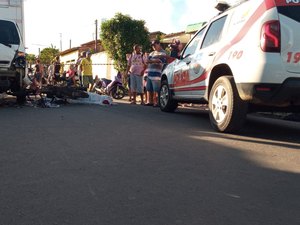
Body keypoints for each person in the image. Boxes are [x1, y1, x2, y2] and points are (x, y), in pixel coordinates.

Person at [146, 40, 167, 107]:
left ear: (159, 44)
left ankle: (157, 102)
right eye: (152, 45)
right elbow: (147, 61)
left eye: (154, 45)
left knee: (156, 89)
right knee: (149, 88)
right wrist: (153, 60)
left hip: (157, 73)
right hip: (150, 73)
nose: (153, 47)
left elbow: (160, 61)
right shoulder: (151, 53)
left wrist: (151, 61)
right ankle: (150, 102)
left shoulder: (163, 53)